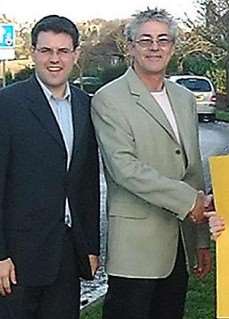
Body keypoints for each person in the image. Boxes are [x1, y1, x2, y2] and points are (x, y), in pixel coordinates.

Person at [91, 8, 211, 319]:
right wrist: (189, 202)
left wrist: (199, 240)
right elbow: (124, 169)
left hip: (178, 246)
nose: (154, 47)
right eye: (145, 40)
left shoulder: (184, 98)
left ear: (173, 46)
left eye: (162, 39)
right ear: (130, 46)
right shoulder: (109, 99)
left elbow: (193, 170)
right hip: (135, 250)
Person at [0, 15, 100, 319]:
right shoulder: (8, 104)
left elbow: (86, 182)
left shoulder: (85, 105)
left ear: (76, 54)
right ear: (33, 52)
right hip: (17, 259)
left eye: (63, 51)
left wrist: (91, 245)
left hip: (67, 255)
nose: (54, 59)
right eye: (46, 51)